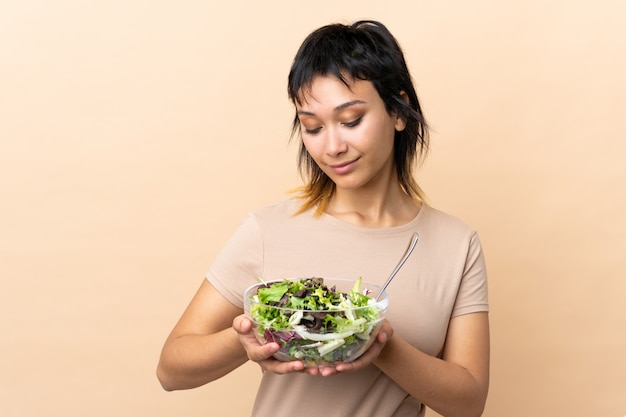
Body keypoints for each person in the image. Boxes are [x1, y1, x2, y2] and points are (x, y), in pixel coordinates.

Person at [157, 20, 489, 417]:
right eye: (312, 127)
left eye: (351, 121)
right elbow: (170, 369)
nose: (332, 146)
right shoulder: (269, 230)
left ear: (399, 111)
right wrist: (248, 337)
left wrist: (379, 343)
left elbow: (468, 402)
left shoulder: (456, 244)